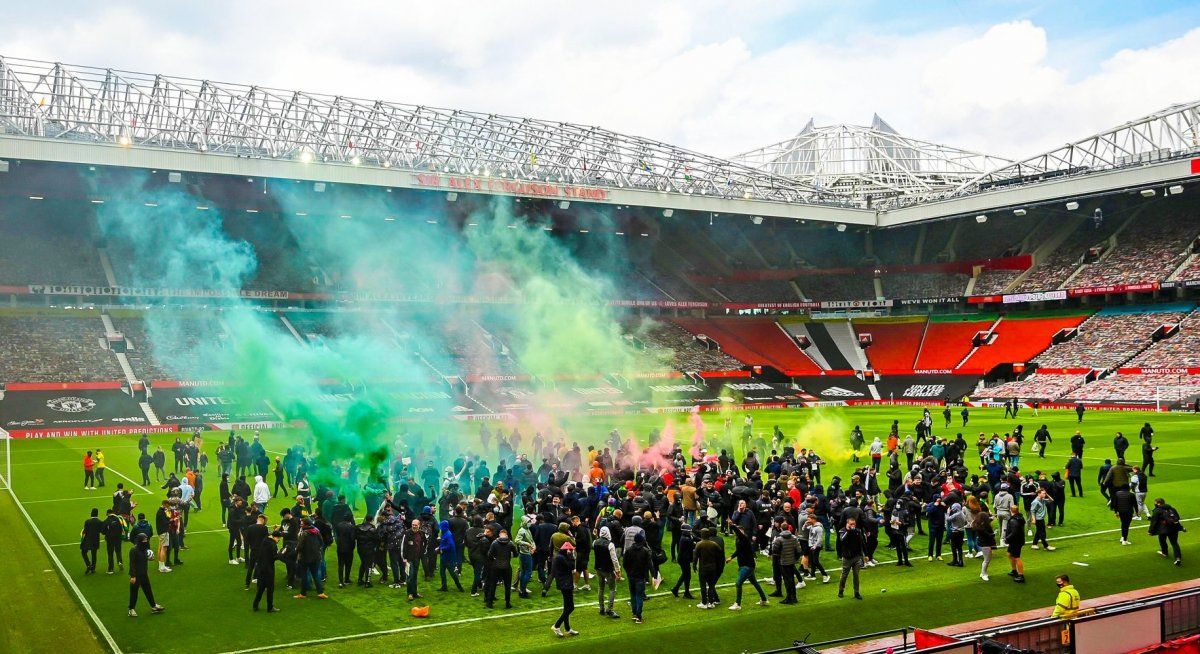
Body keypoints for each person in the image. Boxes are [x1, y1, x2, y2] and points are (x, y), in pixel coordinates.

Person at [728, 522, 767, 610]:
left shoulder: (744, 538)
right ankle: (764, 599)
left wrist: (733, 526)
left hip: (747, 566)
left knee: (738, 583)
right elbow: (738, 550)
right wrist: (731, 557)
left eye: (739, 531)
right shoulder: (738, 539)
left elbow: (738, 533)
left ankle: (738, 604)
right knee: (754, 582)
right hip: (745, 565)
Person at [127, 533, 164, 617]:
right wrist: (133, 576)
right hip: (136, 575)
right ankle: (131, 609)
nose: (146, 542)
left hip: (144, 574)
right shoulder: (133, 550)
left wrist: (150, 558)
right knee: (134, 593)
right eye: (144, 540)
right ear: (140, 541)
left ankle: (153, 606)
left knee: (148, 590)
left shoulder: (145, 550)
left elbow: (145, 559)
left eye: (146, 540)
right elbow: (132, 564)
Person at [294, 517, 328, 600]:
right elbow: (321, 542)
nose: (300, 525)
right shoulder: (316, 531)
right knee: (315, 575)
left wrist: (296, 552)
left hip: (305, 557)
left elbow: (300, 545)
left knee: (304, 575)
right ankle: (320, 593)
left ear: (306, 524)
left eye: (302, 523)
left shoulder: (304, 533)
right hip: (316, 557)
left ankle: (303, 593)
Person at [623, 532, 652, 622]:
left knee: (633, 595)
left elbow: (625, 564)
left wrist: (628, 572)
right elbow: (649, 565)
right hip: (640, 577)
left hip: (631, 576)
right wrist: (652, 575)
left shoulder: (628, 550)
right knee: (639, 596)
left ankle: (634, 613)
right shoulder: (645, 551)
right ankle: (639, 616)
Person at [594, 525, 622, 618]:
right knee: (612, 589)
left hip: (598, 568)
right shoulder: (610, 544)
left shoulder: (595, 542)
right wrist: (617, 570)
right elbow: (614, 559)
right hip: (608, 569)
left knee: (601, 588)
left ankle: (601, 608)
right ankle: (609, 609)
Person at [551, 542, 578, 637]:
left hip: (564, 583)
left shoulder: (560, 557)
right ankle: (556, 625)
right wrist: (572, 556)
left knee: (567, 607)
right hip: (565, 584)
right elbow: (572, 567)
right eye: (570, 550)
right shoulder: (561, 558)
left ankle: (567, 628)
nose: (571, 551)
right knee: (571, 607)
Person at [485, 529, 517, 608]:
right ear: (506, 535)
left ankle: (490, 603)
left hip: (496, 566)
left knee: (493, 585)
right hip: (506, 566)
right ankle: (507, 603)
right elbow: (516, 554)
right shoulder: (510, 543)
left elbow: (489, 555)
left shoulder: (495, 543)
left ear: (499, 535)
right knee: (507, 586)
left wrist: (494, 560)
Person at [253, 529, 283, 612]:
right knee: (270, 589)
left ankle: (255, 605)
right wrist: (281, 553)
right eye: (278, 538)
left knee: (261, 588)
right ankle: (270, 607)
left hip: (260, 568)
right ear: (276, 537)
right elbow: (274, 557)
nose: (278, 540)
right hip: (268, 569)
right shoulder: (272, 545)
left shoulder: (265, 541)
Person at [1149, 498, 1184, 565]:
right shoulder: (1172, 509)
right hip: (1174, 529)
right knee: (1174, 543)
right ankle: (1178, 558)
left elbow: (1154, 522)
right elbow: (1177, 518)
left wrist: (1150, 531)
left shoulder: (1157, 510)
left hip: (1163, 529)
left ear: (1158, 503)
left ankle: (1164, 552)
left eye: (1155, 503)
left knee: (1162, 540)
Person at [694, 528, 723, 609]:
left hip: (703, 568)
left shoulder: (699, 544)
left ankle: (704, 602)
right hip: (712, 568)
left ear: (702, 535)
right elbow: (720, 552)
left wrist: (694, 566)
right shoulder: (713, 544)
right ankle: (711, 602)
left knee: (703, 586)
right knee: (711, 585)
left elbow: (695, 557)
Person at [837, 516, 865, 600]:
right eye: (851, 524)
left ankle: (856, 592)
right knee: (844, 575)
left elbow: (861, 543)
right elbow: (842, 539)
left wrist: (865, 555)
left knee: (856, 575)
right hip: (847, 558)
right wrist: (848, 531)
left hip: (857, 557)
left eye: (854, 524)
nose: (853, 526)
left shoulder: (858, 531)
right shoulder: (842, 531)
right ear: (847, 524)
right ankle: (841, 590)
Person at [1005, 506, 1026, 583]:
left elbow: (1014, 532)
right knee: (1009, 554)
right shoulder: (1019, 517)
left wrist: (1007, 538)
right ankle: (1014, 571)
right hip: (1017, 540)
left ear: (1011, 511)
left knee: (1017, 557)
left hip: (1015, 541)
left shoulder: (1013, 520)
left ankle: (1021, 575)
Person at [80, 508, 104, 574]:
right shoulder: (100, 522)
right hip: (95, 540)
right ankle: (93, 568)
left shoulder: (87, 521)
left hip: (87, 539)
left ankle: (88, 565)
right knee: (94, 554)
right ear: (97, 514)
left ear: (91, 513)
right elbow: (101, 531)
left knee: (83, 552)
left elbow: (85, 531)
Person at [975, 510, 996, 582]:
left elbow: (990, 519)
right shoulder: (981, 527)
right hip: (985, 544)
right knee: (987, 560)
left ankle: (983, 573)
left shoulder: (979, 524)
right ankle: (983, 573)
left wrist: (993, 517)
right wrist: (994, 533)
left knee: (987, 560)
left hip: (985, 544)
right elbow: (988, 535)